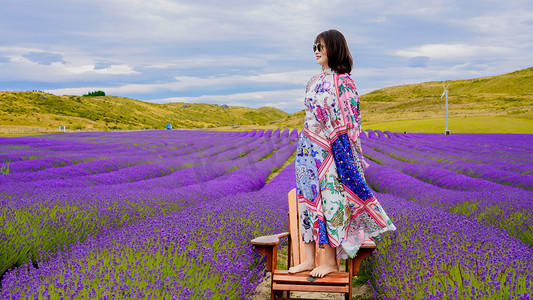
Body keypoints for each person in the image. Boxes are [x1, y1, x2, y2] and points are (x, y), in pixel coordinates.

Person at [289, 29, 396, 278]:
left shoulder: (344, 81)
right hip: (306, 149)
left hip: (330, 150)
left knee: (330, 203)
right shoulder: (312, 81)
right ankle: (308, 258)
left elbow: (351, 123)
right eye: (314, 46)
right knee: (307, 202)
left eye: (321, 46)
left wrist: (347, 156)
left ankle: (330, 262)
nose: (316, 50)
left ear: (334, 48)